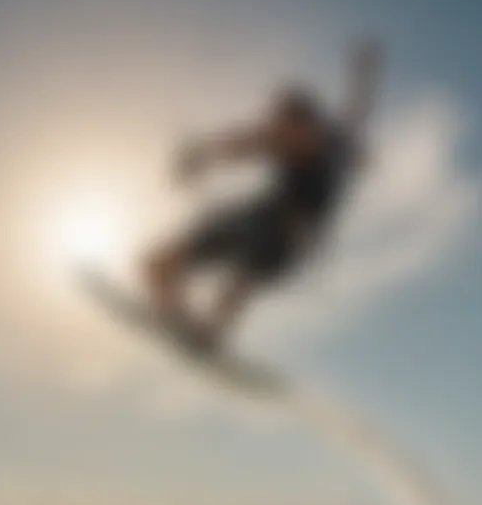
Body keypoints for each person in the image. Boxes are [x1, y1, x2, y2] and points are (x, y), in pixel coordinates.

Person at [143, 40, 384, 354]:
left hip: (293, 231)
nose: (282, 140)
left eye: (290, 132)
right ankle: (176, 313)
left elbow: (357, 109)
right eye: (280, 131)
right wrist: (199, 155)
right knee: (158, 264)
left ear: (309, 126)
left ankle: (210, 332)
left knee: (252, 267)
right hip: (264, 212)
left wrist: (365, 74)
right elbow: (244, 141)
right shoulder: (280, 137)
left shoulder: (334, 142)